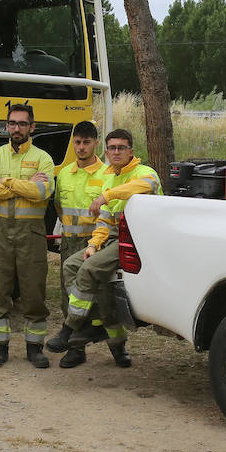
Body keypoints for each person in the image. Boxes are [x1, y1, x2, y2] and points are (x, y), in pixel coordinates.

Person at [58, 128, 160, 369]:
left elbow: (144, 186)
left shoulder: (144, 172)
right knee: (72, 265)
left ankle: (70, 328)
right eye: (112, 148)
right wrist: (93, 245)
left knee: (89, 270)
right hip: (114, 239)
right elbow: (105, 221)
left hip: (140, 240)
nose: (116, 152)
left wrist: (106, 195)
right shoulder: (110, 178)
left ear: (131, 151)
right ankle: (89, 326)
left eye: (121, 148)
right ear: (106, 151)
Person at [0, 103, 55, 368]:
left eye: (23, 123)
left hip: (31, 232)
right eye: (12, 123)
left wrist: (7, 182)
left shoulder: (44, 158)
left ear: (32, 127)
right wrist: (24, 184)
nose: (17, 128)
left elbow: (43, 192)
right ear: (7, 126)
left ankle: (35, 349)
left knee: (33, 290)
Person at [46, 121, 109, 353]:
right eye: (77, 142)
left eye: (86, 142)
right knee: (69, 295)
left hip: (95, 242)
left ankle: (117, 347)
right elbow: (59, 207)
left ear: (96, 143)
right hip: (70, 242)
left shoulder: (107, 174)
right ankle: (75, 350)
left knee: (101, 294)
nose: (81, 147)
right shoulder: (63, 174)